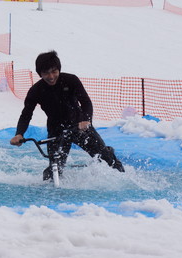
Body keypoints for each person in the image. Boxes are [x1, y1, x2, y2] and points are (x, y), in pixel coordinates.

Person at [10, 51, 125, 180]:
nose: (51, 76)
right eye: (46, 73)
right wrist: (19, 133)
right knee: (55, 169)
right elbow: (26, 114)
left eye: (54, 71)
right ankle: (51, 191)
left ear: (59, 70)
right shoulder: (36, 90)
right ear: (40, 73)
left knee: (105, 157)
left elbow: (86, 102)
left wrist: (85, 120)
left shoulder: (70, 80)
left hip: (79, 126)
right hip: (56, 130)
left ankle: (123, 175)